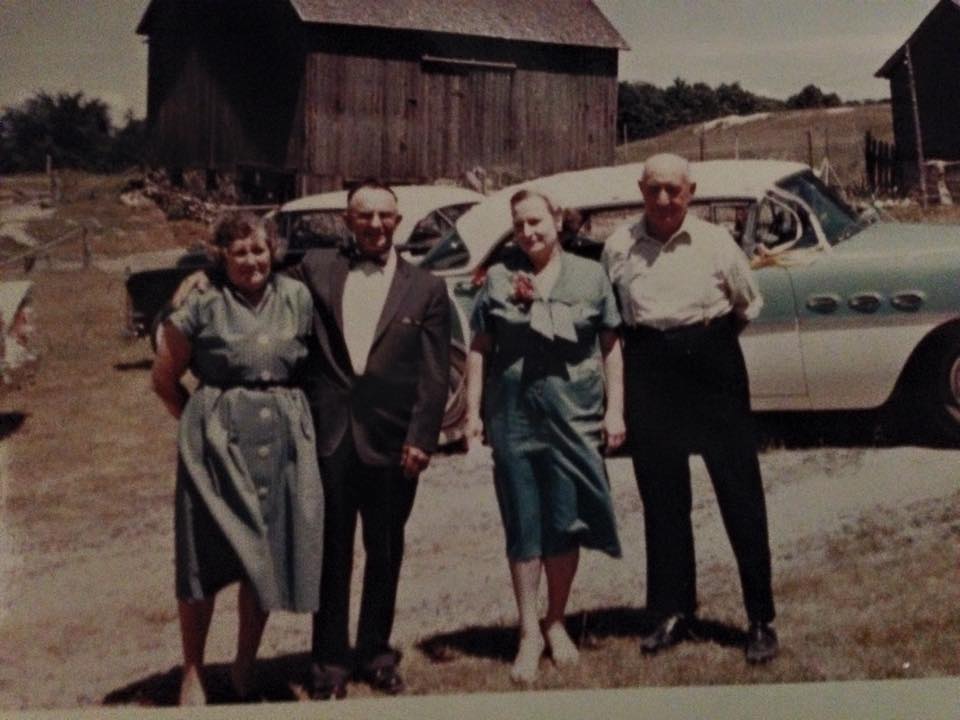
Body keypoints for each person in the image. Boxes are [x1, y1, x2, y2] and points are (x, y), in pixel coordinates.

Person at [601, 153, 779, 665]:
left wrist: (705, 345)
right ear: (641, 189)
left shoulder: (716, 242)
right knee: (662, 496)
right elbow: (612, 319)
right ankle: (672, 611)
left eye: (673, 190)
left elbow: (747, 305)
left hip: (712, 363)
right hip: (649, 367)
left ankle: (760, 619)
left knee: (738, 490)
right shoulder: (618, 246)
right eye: (653, 189)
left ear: (691, 191)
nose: (662, 200)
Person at [152, 212, 323, 705]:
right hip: (217, 447)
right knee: (202, 559)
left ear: (273, 252)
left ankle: (245, 664)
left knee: (262, 557)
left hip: (283, 439)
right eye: (239, 252)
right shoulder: (201, 303)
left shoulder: (297, 297)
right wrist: (198, 428)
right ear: (221, 257)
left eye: (259, 250)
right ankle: (193, 672)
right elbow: (163, 379)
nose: (251, 261)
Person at [289, 180, 451, 699]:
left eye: (385, 216)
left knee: (385, 550)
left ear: (398, 222)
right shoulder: (316, 268)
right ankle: (330, 665)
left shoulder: (426, 287)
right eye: (365, 216)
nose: (376, 225)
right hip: (330, 438)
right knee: (332, 553)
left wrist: (422, 437)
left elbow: (434, 373)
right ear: (347, 219)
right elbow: (251, 272)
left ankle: (378, 654)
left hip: (393, 441)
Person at [465, 188, 625, 684]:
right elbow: (479, 347)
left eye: (536, 221)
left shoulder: (592, 274)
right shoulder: (496, 278)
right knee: (523, 520)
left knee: (566, 517)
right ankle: (528, 631)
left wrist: (615, 409)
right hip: (514, 415)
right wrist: (472, 413)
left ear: (558, 220)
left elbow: (611, 343)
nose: (528, 232)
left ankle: (557, 619)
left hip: (573, 412)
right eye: (519, 225)